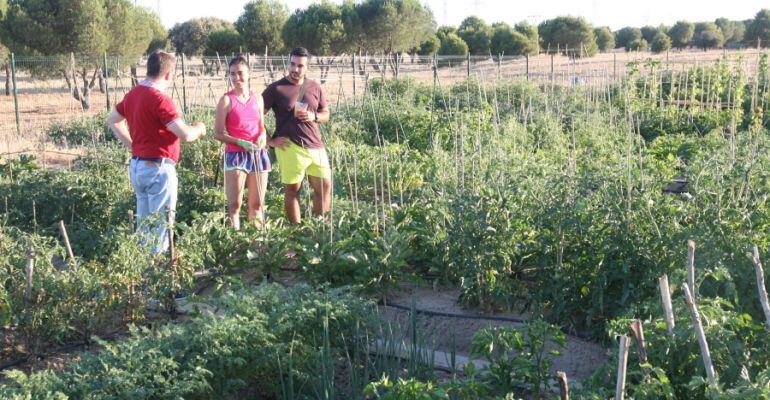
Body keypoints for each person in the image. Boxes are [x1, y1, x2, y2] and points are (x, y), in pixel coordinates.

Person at [107, 49, 206, 252]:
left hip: (137, 167)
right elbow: (185, 135)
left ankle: (143, 273)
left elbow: (113, 120)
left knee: (145, 227)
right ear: (169, 74)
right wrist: (200, 128)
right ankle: (156, 275)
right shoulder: (160, 99)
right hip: (158, 169)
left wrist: (133, 145)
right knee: (161, 228)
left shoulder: (133, 94)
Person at [262, 47, 331, 224]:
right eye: (292, 64)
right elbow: (255, 115)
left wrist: (313, 116)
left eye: (300, 66)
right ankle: (297, 233)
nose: (295, 69)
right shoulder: (276, 89)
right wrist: (270, 140)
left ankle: (318, 230)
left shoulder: (315, 87)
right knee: (293, 190)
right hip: (289, 146)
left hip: (315, 145)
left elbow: (326, 114)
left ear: (307, 67)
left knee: (325, 188)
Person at [214, 54, 270, 229]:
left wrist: (262, 135)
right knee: (234, 206)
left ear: (249, 73)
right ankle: (235, 246)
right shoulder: (226, 100)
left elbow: (261, 126)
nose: (236, 78)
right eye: (232, 74)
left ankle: (258, 246)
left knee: (257, 205)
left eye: (240, 73)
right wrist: (240, 142)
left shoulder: (258, 99)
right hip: (236, 155)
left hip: (257, 154)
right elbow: (217, 133)